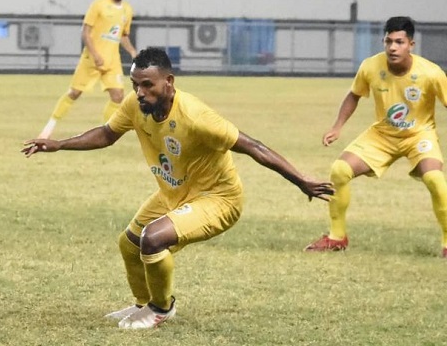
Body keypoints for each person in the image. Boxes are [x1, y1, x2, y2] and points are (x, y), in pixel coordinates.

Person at [22, 47, 333, 330]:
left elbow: (254, 147)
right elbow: (106, 134)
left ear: (168, 82)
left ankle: (161, 307)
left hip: (218, 198)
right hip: (175, 192)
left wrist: (300, 180)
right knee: (129, 244)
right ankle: (144, 304)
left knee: (153, 238)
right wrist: (59, 144)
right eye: (136, 85)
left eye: (148, 85)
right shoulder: (135, 105)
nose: (140, 93)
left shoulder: (196, 117)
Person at [305, 16, 447, 257]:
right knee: (340, 170)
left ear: (411, 44)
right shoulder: (371, 66)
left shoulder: (431, 73)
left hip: (419, 135)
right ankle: (337, 237)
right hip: (382, 135)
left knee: (435, 179)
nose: (392, 47)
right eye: (388, 41)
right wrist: (337, 126)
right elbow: (354, 95)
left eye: (399, 42)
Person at [36, 0, 138, 139]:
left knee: (118, 95)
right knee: (74, 93)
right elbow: (85, 32)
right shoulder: (99, 5)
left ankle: (106, 132)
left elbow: (123, 35)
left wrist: (133, 52)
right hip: (92, 59)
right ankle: (49, 127)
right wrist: (95, 54)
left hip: (112, 60)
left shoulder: (127, 9)